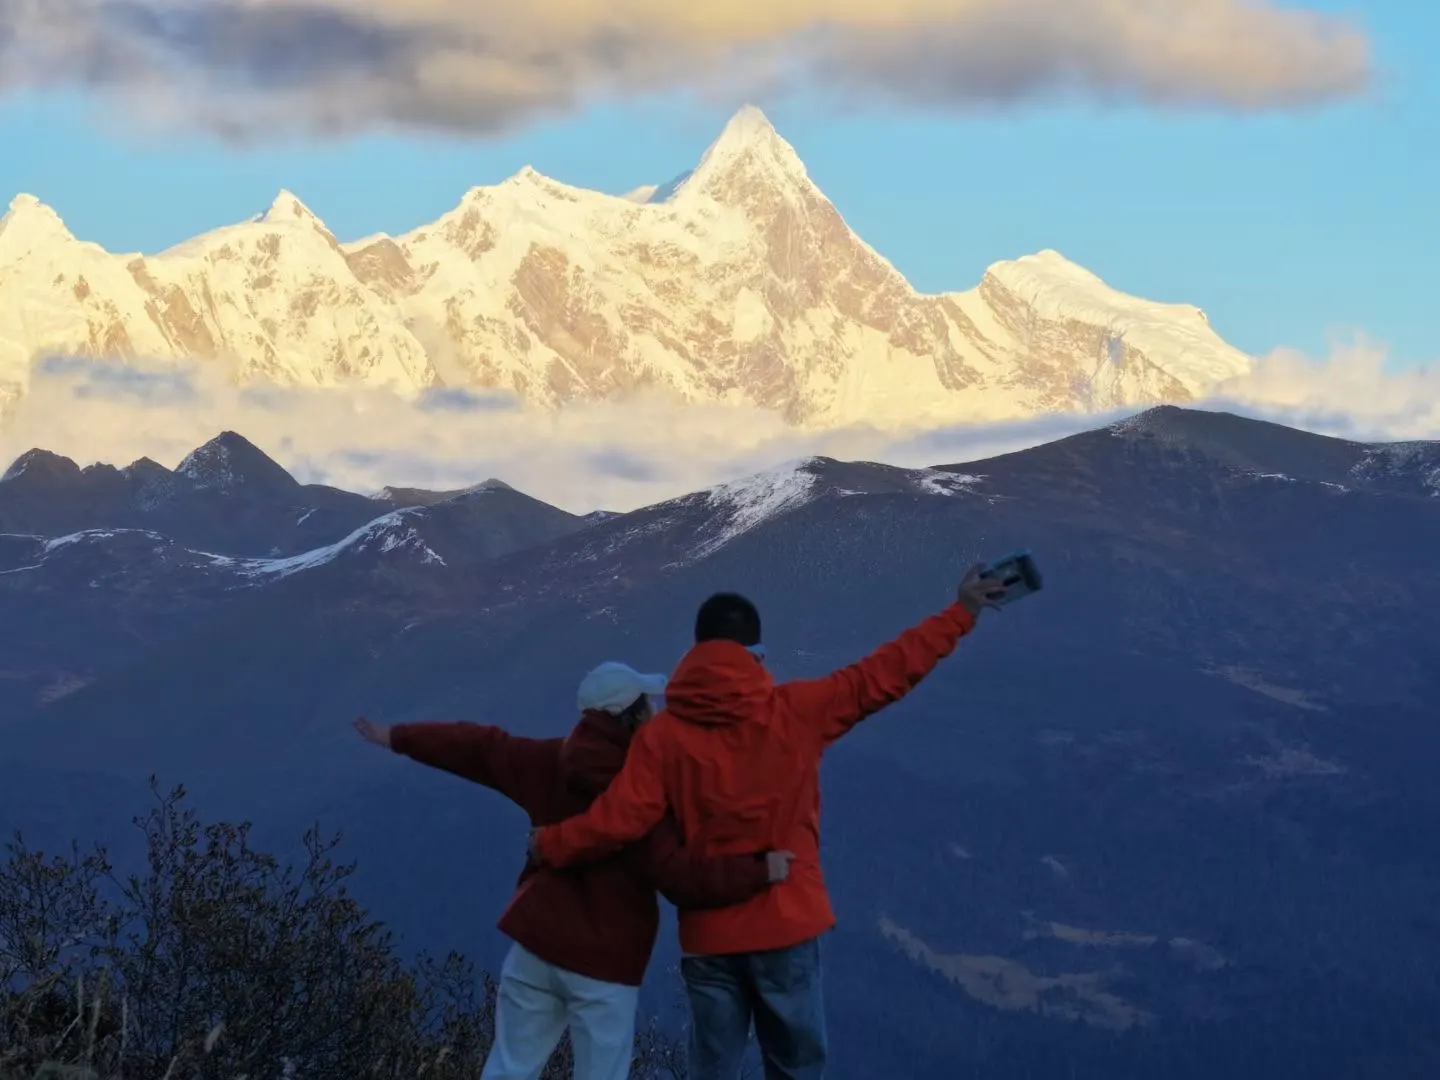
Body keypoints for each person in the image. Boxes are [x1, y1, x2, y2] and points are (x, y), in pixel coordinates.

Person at [528, 567, 1010, 1079]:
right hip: (787, 926)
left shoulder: (661, 737)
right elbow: (885, 674)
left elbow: (618, 820)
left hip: (708, 938)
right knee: (796, 1067)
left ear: (696, 652)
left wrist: (551, 844)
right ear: (754, 653)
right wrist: (961, 613)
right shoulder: (798, 711)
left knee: (712, 1071)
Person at [353, 661, 794, 1080]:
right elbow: (683, 876)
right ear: (632, 716)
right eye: (649, 705)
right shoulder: (646, 791)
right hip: (605, 965)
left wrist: (398, 737)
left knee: (510, 1068)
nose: (657, 714)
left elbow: (479, 747)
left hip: (536, 946)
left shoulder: (547, 761)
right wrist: (758, 870)